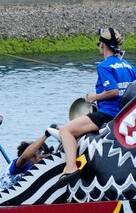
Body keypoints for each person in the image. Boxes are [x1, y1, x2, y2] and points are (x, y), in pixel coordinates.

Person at [57, 27, 136, 186]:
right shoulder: (129, 66)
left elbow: (112, 91)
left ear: (102, 45)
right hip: (125, 116)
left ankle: (71, 167)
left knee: (65, 130)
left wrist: (92, 97)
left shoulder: (104, 66)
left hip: (108, 114)